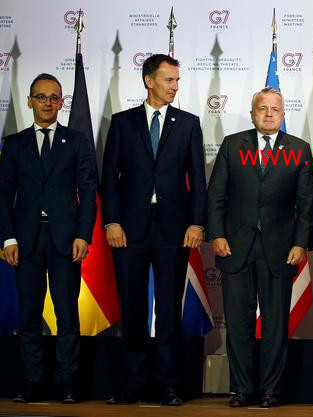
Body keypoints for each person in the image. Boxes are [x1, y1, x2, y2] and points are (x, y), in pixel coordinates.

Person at [101, 54, 206, 405]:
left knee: (168, 309)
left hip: (173, 229)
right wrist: (111, 221)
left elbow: (198, 180)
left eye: (177, 80)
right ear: (149, 81)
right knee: (132, 306)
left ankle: (167, 383)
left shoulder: (188, 124)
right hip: (129, 229)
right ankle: (133, 382)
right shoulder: (123, 122)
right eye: (168, 80)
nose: (175, 86)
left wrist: (196, 222)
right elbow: (109, 178)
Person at [207, 87, 313, 408]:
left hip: (280, 250)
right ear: (253, 113)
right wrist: (217, 235)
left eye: (275, 109)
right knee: (238, 324)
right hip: (234, 248)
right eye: (262, 109)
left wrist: (300, 243)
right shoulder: (232, 145)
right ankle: (241, 389)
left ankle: (270, 389)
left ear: (283, 114)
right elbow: (216, 195)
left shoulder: (299, 149)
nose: (269, 114)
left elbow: (307, 206)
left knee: (275, 325)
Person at [0, 73, 98, 403]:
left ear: (61, 103)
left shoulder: (77, 141)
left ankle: (66, 382)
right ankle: (32, 380)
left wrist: (83, 235)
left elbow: (88, 191)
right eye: (41, 97)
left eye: (54, 97)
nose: (47, 103)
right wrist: (9, 239)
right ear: (30, 101)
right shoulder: (15, 144)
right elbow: (4, 195)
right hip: (26, 240)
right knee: (29, 314)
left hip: (66, 240)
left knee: (67, 314)